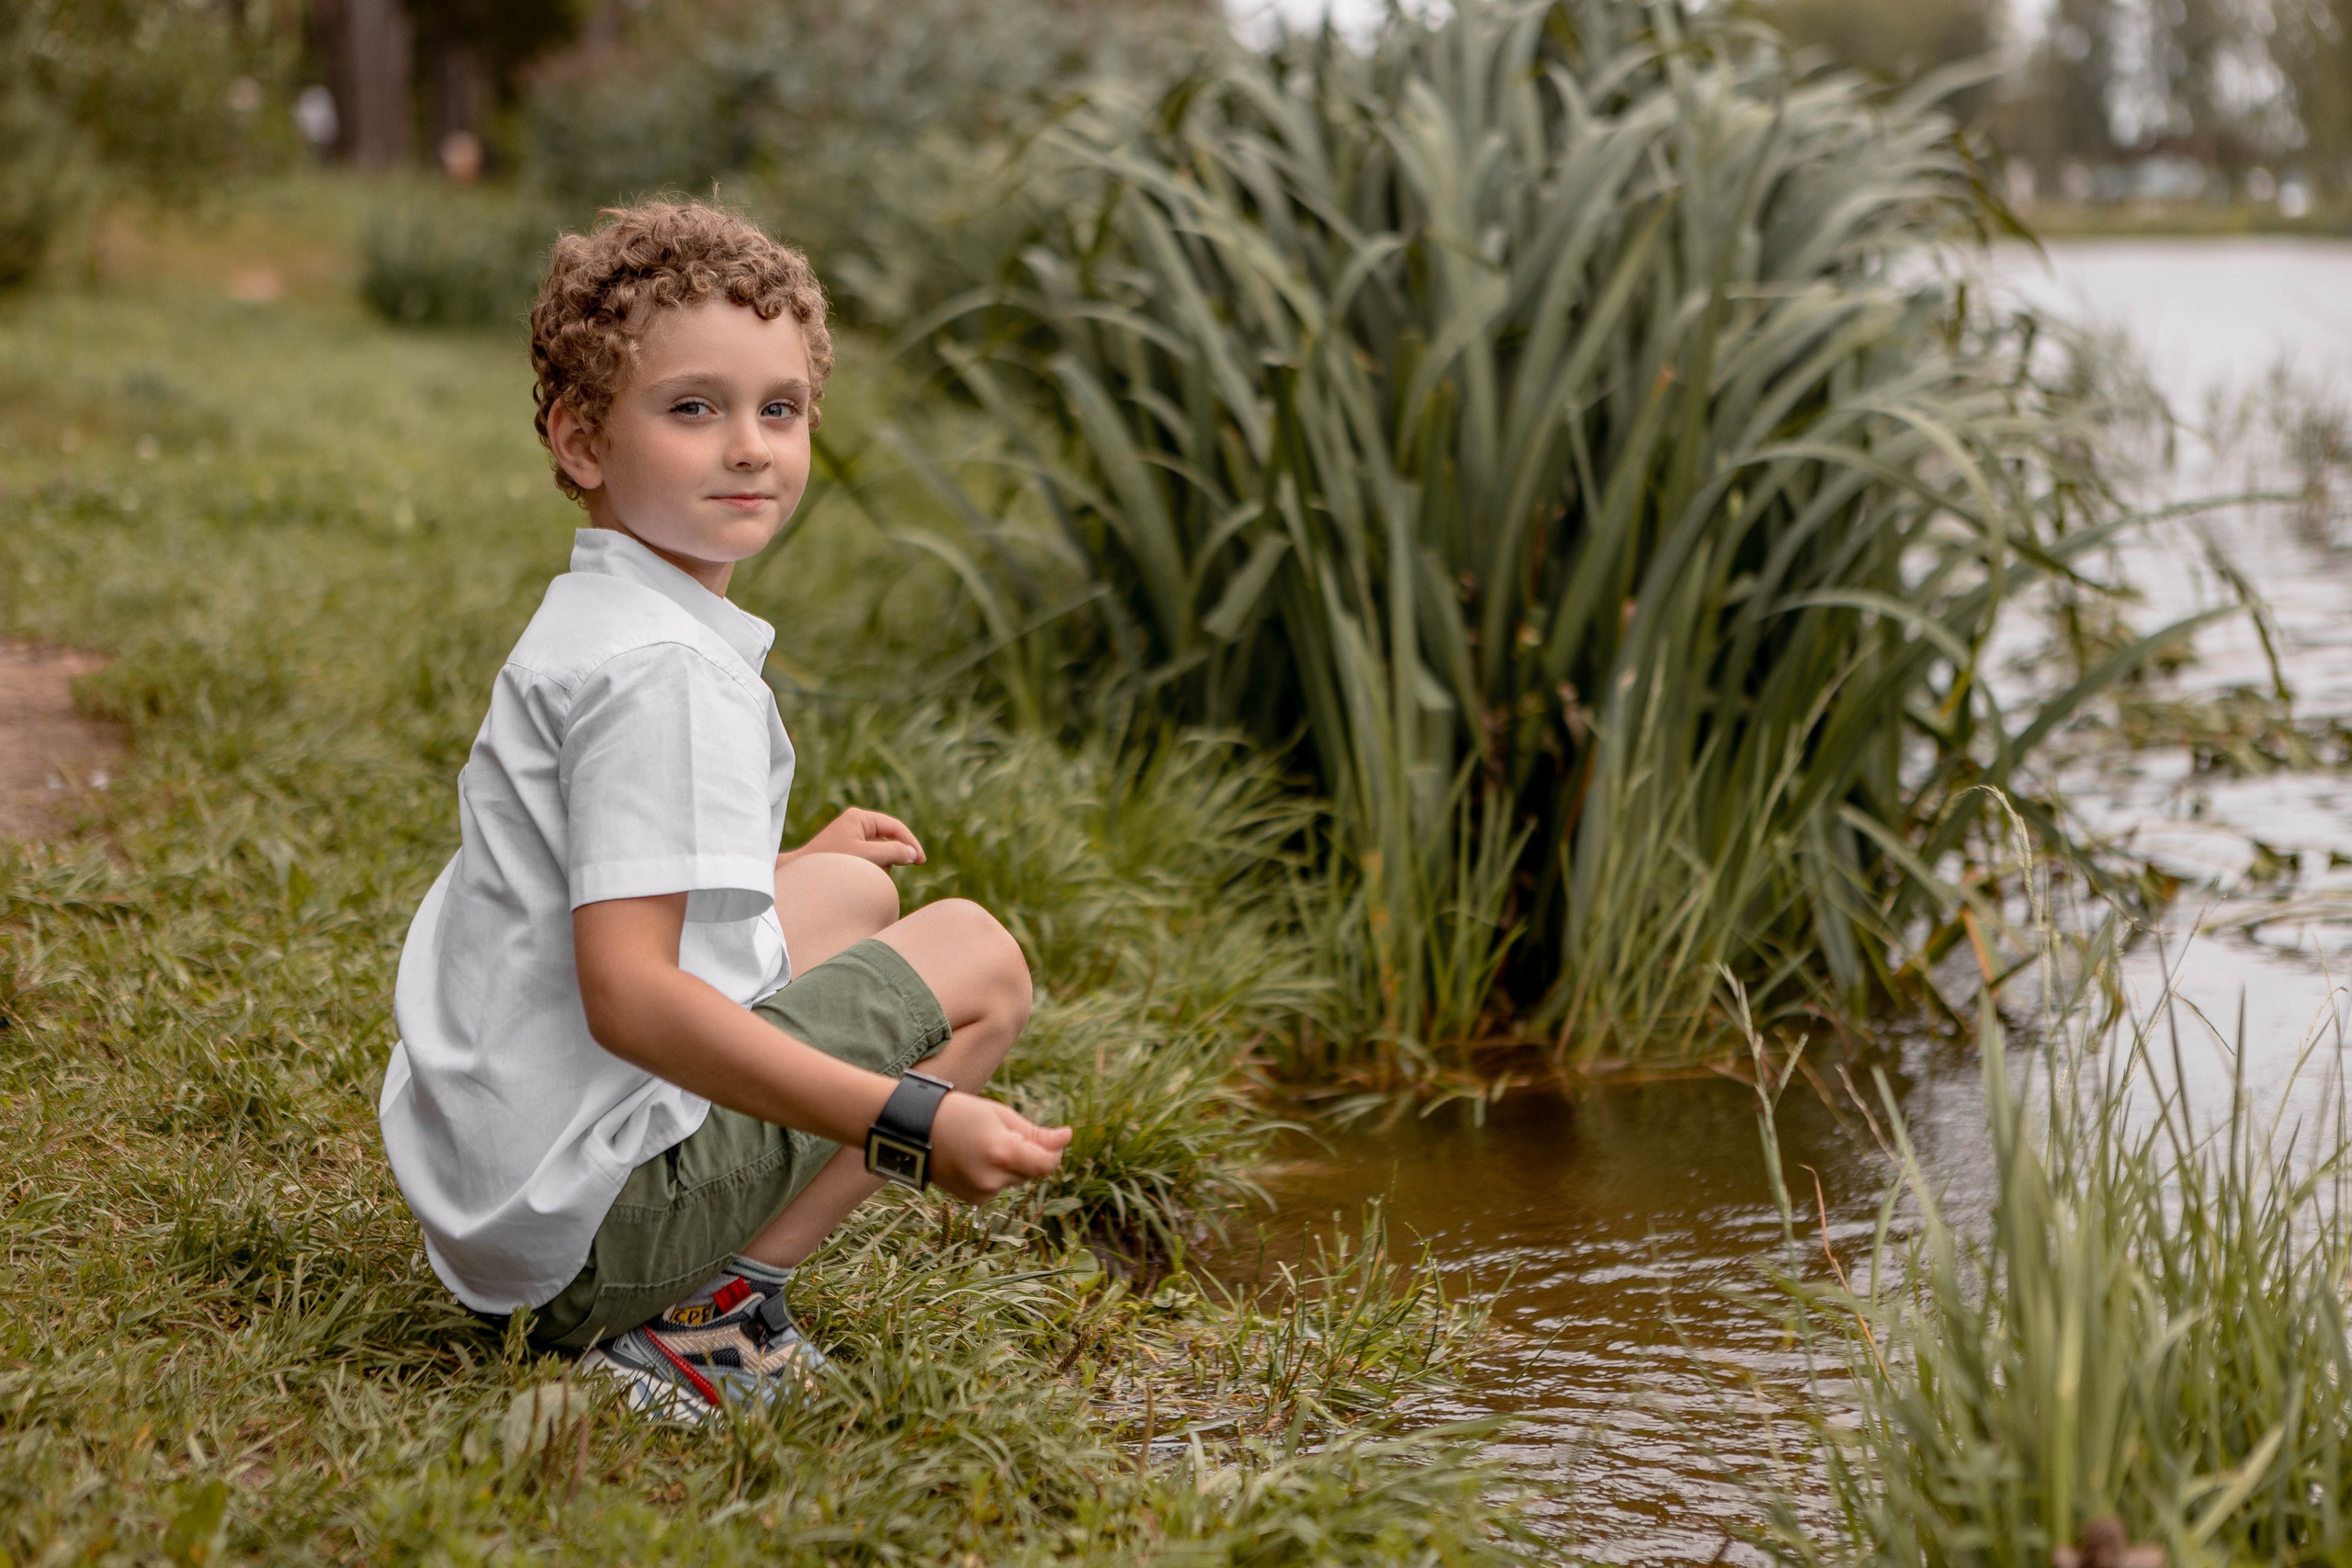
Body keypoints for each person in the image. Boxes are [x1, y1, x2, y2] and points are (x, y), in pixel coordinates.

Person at [377, 200, 1071, 1422]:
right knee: (982, 961)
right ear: (582, 437)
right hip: (580, 1237)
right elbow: (632, 999)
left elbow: (597, 867)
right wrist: (911, 1113)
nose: (748, 447)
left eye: (780, 409)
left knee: (855, 893)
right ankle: (708, 1323)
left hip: (498, 1187)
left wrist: (783, 860)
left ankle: (688, 1295)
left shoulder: (606, 615)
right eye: (694, 409)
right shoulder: (668, 677)